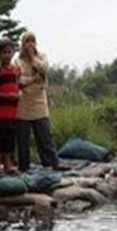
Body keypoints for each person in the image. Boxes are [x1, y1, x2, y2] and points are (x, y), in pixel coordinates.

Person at [13, 31, 69, 172]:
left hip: (39, 103)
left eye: (33, 41)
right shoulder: (17, 61)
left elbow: (44, 69)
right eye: (27, 41)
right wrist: (33, 79)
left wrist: (32, 58)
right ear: (22, 44)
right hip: (23, 105)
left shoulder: (42, 57)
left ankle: (52, 163)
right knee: (23, 140)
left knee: (45, 136)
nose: (30, 44)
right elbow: (17, 81)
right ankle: (23, 166)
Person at [0, 39, 21, 176]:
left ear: (13, 53)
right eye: (4, 53)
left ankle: (7, 165)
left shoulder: (15, 70)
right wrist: (8, 96)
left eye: (9, 52)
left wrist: (18, 94)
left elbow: (18, 86)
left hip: (12, 113)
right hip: (0, 113)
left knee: (9, 140)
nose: (7, 55)